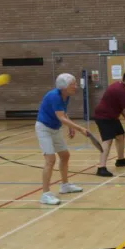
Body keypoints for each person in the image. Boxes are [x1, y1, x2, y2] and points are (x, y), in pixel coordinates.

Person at [36, 73, 89, 205]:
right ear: (63, 86)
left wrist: (70, 126)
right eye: (72, 84)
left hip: (54, 129)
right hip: (44, 129)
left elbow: (63, 113)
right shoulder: (54, 96)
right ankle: (45, 194)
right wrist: (80, 128)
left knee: (65, 155)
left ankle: (65, 186)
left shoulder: (65, 96)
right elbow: (61, 117)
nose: (75, 87)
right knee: (50, 160)